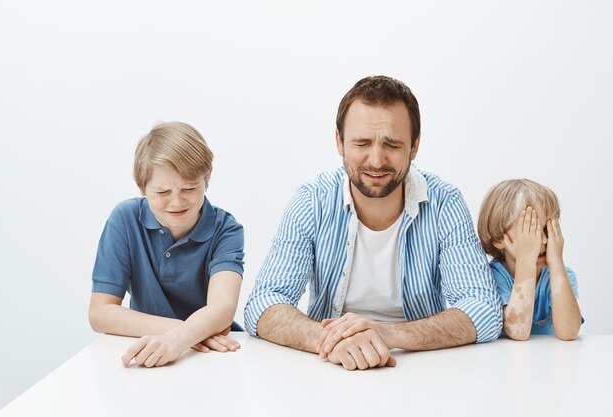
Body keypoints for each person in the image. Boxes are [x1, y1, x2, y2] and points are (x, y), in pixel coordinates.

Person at [244, 75, 502, 370]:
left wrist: (387, 334)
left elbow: (483, 310)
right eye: (362, 143)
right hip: (330, 368)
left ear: (414, 147)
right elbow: (263, 304)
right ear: (339, 142)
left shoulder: (445, 203)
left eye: (392, 144)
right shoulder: (312, 201)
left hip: (423, 370)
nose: (376, 160)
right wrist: (330, 340)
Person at [88, 122, 244, 367]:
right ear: (142, 187)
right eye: (162, 192)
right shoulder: (124, 219)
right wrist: (186, 334)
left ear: (207, 177)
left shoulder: (226, 229)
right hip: (184, 342)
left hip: (216, 355)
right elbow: (100, 313)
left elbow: (223, 306)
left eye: (189, 188)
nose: (176, 201)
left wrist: (182, 339)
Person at [477, 179, 582, 340]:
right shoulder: (491, 277)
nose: (544, 240)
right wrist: (526, 262)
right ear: (499, 239)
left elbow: (569, 333)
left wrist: (557, 264)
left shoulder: (561, 275)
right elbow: (518, 332)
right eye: (530, 230)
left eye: (547, 230)